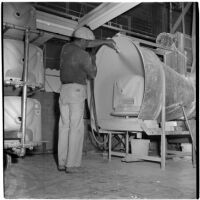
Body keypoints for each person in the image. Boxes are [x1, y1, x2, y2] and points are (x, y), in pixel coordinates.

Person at [58, 26, 118, 173]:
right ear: (83, 40)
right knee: (76, 127)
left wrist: (104, 42)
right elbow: (92, 74)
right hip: (76, 90)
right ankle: (71, 165)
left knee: (64, 126)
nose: (88, 45)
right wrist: (93, 59)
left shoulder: (66, 48)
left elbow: (87, 44)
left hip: (64, 90)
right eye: (87, 43)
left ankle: (62, 162)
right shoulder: (84, 55)